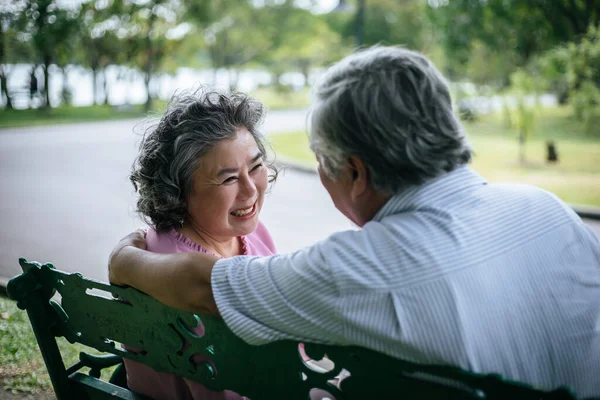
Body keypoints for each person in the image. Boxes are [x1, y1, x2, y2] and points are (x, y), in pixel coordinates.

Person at [109, 47, 600, 398]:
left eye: (322, 161)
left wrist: (124, 259)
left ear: (356, 173)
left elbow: (206, 288)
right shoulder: (549, 208)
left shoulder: (364, 266)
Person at [123, 89, 278, 400]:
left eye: (256, 167)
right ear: (178, 191)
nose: (250, 190)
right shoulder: (171, 272)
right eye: (228, 179)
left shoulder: (252, 232)